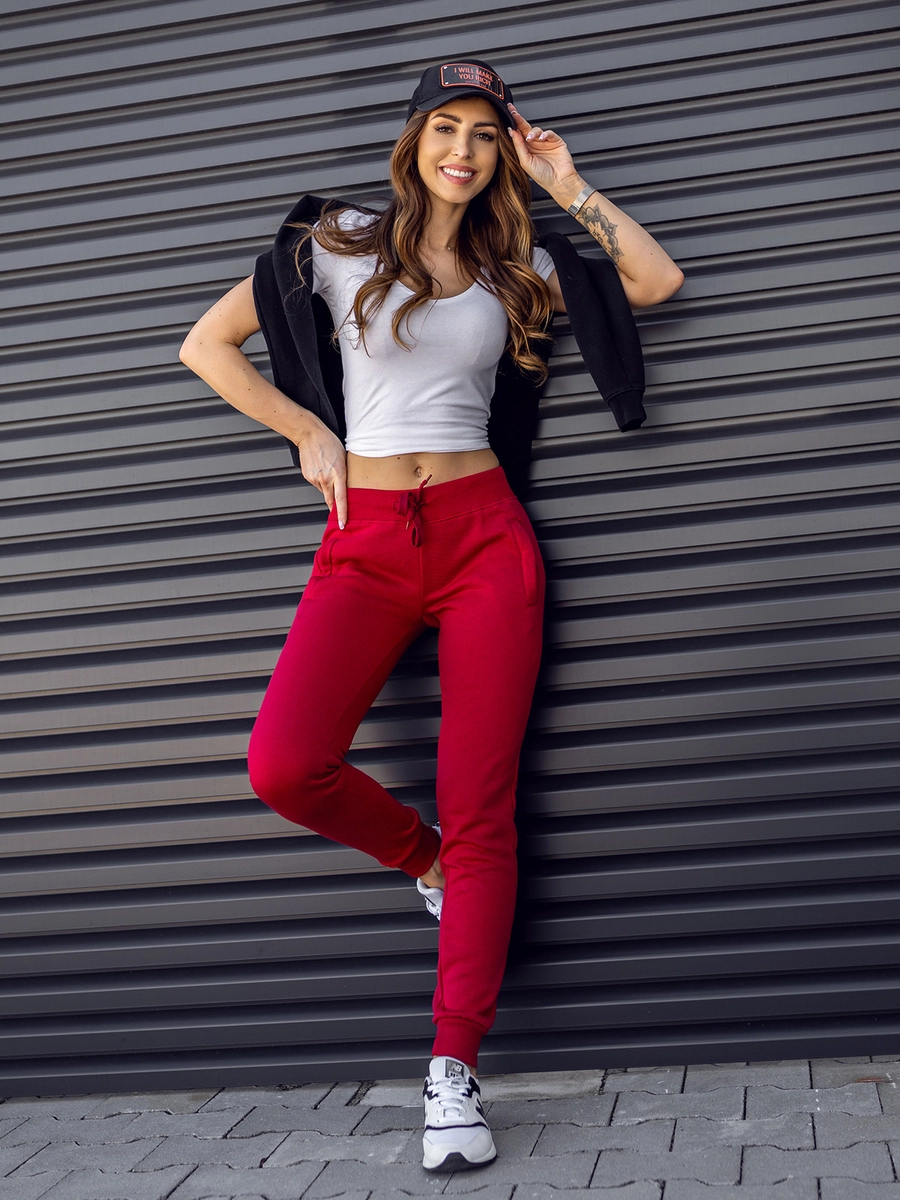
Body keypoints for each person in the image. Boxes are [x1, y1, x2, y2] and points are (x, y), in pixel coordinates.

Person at [179, 58, 683, 1173]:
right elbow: (204, 346)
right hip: (364, 541)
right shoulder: (336, 241)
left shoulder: (519, 265)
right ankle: (428, 861)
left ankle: (453, 1070)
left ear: (503, 152)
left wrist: (565, 181)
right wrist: (307, 433)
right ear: (412, 141)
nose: (464, 149)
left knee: (485, 804)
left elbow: (653, 282)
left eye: (485, 134)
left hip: (484, 537)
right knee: (284, 764)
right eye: (446, 127)